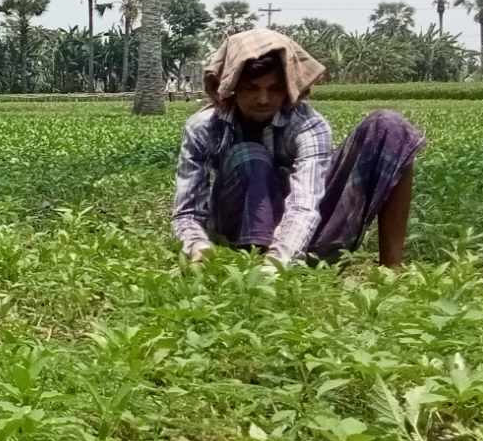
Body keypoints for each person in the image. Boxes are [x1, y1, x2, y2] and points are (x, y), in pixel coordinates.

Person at [172, 28, 424, 268]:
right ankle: (254, 255)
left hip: (303, 230)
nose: (263, 99)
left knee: (390, 126)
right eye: (251, 89)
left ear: (289, 88)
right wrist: (196, 245)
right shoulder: (204, 127)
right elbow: (187, 211)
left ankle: (391, 267)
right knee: (250, 155)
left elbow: (305, 203)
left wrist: (278, 262)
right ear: (231, 89)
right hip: (236, 226)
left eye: (274, 89)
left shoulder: (309, 125)